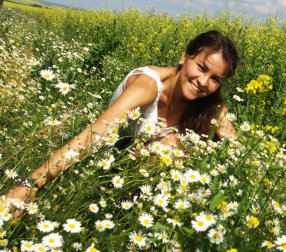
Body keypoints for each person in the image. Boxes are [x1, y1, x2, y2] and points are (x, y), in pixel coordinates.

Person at [7, 30, 239, 215]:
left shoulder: (211, 105)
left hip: (147, 183)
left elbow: (236, 153)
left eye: (215, 79)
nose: (203, 81)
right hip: (108, 162)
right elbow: (95, 133)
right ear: (184, 56)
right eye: (201, 67)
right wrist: (29, 184)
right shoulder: (148, 86)